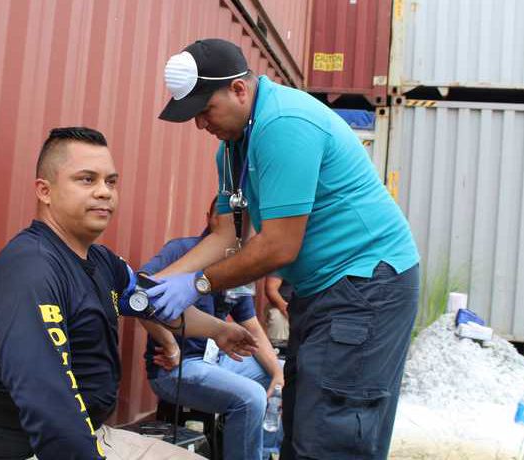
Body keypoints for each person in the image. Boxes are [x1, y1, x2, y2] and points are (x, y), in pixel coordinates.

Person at [146, 39, 421, 460]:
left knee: (330, 436)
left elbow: (278, 247)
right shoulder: (232, 149)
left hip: (366, 285)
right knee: (302, 427)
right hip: (321, 289)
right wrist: (158, 283)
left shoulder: (284, 123)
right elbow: (227, 235)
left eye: (205, 110)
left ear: (239, 89)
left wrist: (197, 283)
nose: (200, 124)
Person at [0, 127, 257, 460]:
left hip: (94, 433)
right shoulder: (31, 269)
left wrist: (219, 330)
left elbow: (153, 303)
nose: (104, 192)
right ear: (44, 191)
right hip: (41, 448)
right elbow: (45, 399)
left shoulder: (102, 261)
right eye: (86, 180)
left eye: (111, 182)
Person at [141, 198, 283, 460]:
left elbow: (251, 325)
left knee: (286, 372)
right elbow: (141, 297)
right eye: (224, 215)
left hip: (217, 360)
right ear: (209, 218)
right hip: (177, 367)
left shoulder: (237, 266)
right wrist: (170, 345)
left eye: (240, 218)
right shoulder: (181, 250)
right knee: (252, 397)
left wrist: (277, 373)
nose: (234, 223)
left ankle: (266, 453)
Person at [264, 275, 291, 343]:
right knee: (277, 317)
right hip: (282, 309)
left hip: (308, 310)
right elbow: (271, 289)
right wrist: (288, 311)